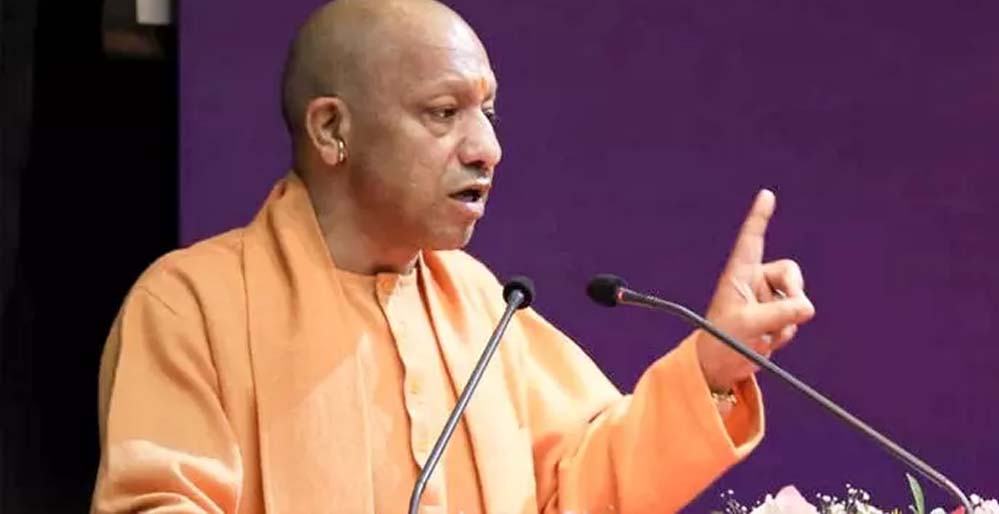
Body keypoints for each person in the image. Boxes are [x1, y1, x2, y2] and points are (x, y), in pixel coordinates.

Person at [91, 0, 816, 512]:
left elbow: (580, 487)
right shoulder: (194, 305)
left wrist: (712, 369)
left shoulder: (479, 301)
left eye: (487, 112)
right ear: (333, 129)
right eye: (443, 113)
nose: (487, 149)